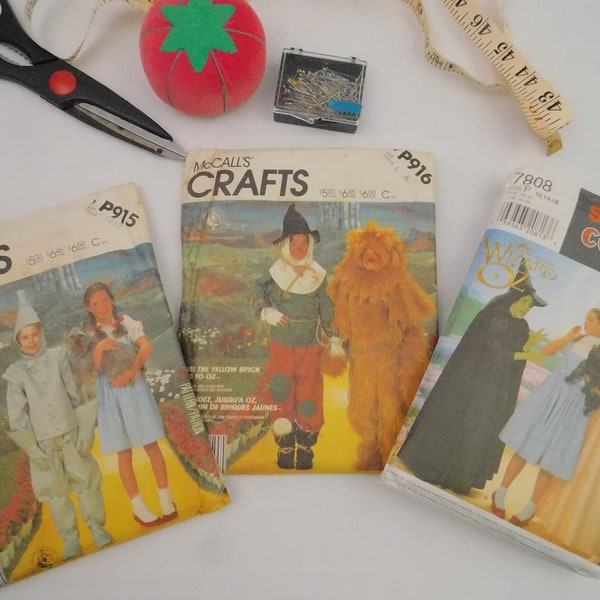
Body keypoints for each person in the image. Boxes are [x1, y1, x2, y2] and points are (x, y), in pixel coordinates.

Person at [398, 265, 547, 494]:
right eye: (526, 302)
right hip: (471, 384)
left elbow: (512, 360)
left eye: (530, 306)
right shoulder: (495, 316)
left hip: (494, 388)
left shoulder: (521, 325)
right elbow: (495, 352)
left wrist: (528, 345)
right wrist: (525, 354)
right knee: (462, 423)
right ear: (515, 298)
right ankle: (437, 469)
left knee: (480, 429)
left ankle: (459, 477)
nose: (527, 308)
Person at [4, 298, 112, 560]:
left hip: (70, 432)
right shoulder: (17, 373)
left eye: (35, 334)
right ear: (18, 341)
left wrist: (84, 431)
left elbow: (75, 394)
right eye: (25, 337)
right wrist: (33, 449)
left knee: (86, 482)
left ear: (42, 334)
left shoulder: (58, 357)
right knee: (57, 493)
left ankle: (97, 527)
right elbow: (18, 415)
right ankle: (70, 539)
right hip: (44, 443)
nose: (31, 341)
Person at [252, 204, 341, 470]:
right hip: (281, 342)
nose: (300, 248)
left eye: (304, 243)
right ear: (285, 244)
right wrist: (265, 311)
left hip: (310, 344)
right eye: (295, 242)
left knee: (309, 392)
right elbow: (256, 290)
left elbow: (327, 307)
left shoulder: (318, 274)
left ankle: (305, 447)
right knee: (281, 389)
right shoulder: (274, 272)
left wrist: (335, 337)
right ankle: (285, 445)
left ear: (310, 245)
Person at [491, 308, 600, 527]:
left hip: (576, 405)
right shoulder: (575, 337)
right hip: (552, 394)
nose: (585, 322)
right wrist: (567, 338)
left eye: (590, 319)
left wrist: (591, 383)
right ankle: (500, 492)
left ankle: (530, 508)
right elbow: (547, 351)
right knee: (525, 445)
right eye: (585, 318)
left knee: (552, 458)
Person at [84, 282, 176, 526]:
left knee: (151, 445)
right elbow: (89, 371)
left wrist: (131, 372)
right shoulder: (89, 336)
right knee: (124, 453)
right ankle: (139, 508)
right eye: (95, 303)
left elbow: (147, 347)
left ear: (112, 300)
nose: (101, 306)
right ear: (90, 309)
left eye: (105, 300)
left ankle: (166, 500)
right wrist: (99, 350)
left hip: (134, 388)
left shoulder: (127, 323)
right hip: (110, 394)